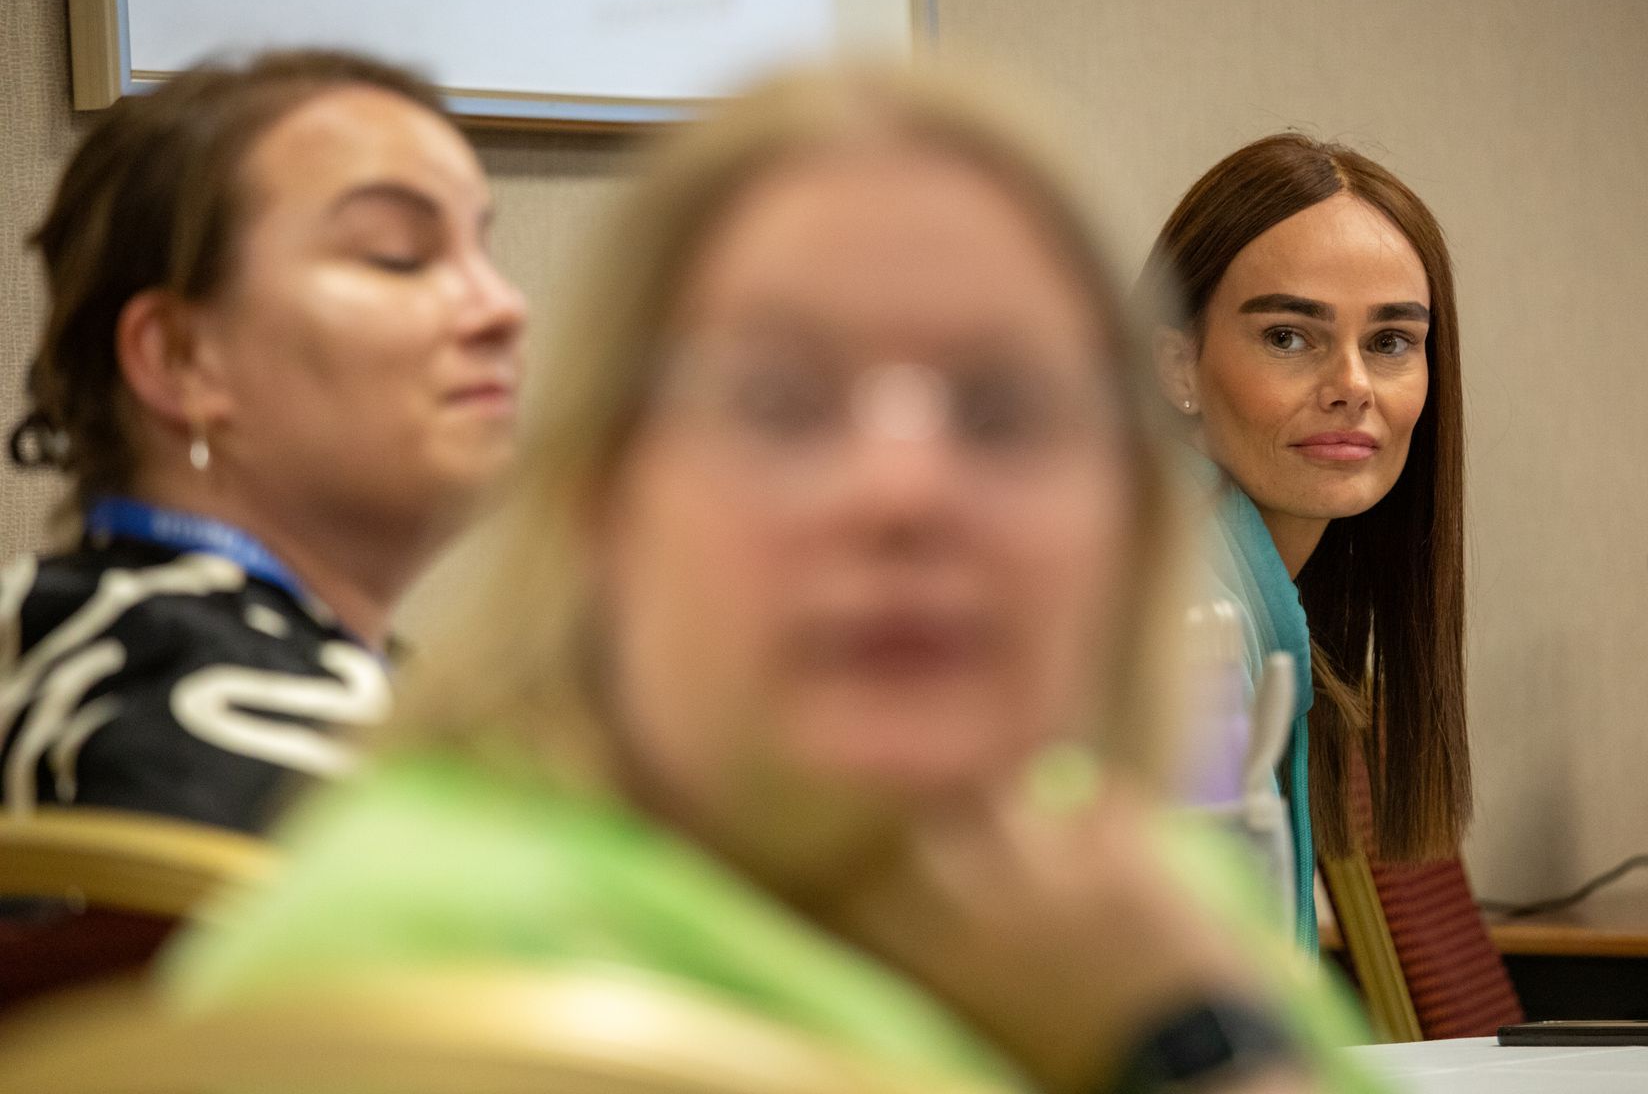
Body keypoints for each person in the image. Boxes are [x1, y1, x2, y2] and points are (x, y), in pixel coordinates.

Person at [167, 67, 1385, 1094]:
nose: (906, 491)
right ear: (606, 506)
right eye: (781, 403)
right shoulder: (422, 963)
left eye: (1004, 408)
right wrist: (1186, 1043)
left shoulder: (1135, 883)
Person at [1, 50, 527, 834]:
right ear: (182, 358)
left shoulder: (54, 629)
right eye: (398, 255)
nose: (503, 307)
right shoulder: (233, 735)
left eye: (480, 248)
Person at [1142, 134, 1469, 949]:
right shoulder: (1177, 604)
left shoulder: (1223, 577)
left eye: (1390, 342)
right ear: (1178, 365)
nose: (1352, 387)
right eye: (1290, 336)